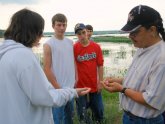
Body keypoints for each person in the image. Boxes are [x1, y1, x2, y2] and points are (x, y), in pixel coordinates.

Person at [0, 9, 91, 124]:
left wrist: (73, 82)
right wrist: (72, 92)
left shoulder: (6, 54)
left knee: (69, 117)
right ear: (30, 31)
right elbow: (45, 96)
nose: (41, 35)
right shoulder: (24, 56)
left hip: (13, 116)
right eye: (39, 31)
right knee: (59, 117)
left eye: (64, 25)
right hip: (29, 117)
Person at [102, 5, 165, 124]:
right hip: (129, 117)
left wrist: (122, 89)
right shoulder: (142, 47)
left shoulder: (162, 58)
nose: (130, 36)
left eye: (135, 32)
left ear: (152, 30)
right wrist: (119, 80)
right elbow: (141, 80)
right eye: (129, 32)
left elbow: (152, 100)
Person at [43, 13, 76, 124]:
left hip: (70, 88)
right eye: (59, 25)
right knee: (58, 119)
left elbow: (73, 62)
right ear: (53, 26)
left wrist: (76, 78)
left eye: (64, 25)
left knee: (69, 118)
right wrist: (58, 88)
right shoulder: (48, 44)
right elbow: (46, 69)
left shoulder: (70, 43)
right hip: (57, 90)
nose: (62, 28)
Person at [74, 23, 104, 123]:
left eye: (83, 32)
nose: (82, 36)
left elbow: (100, 65)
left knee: (99, 112)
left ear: (87, 32)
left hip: (94, 85)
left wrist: (100, 82)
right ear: (76, 35)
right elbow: (71, 67)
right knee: (82, 115)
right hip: (80, 87)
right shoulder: (74, 48)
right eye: (79, 34)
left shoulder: (96, 47)